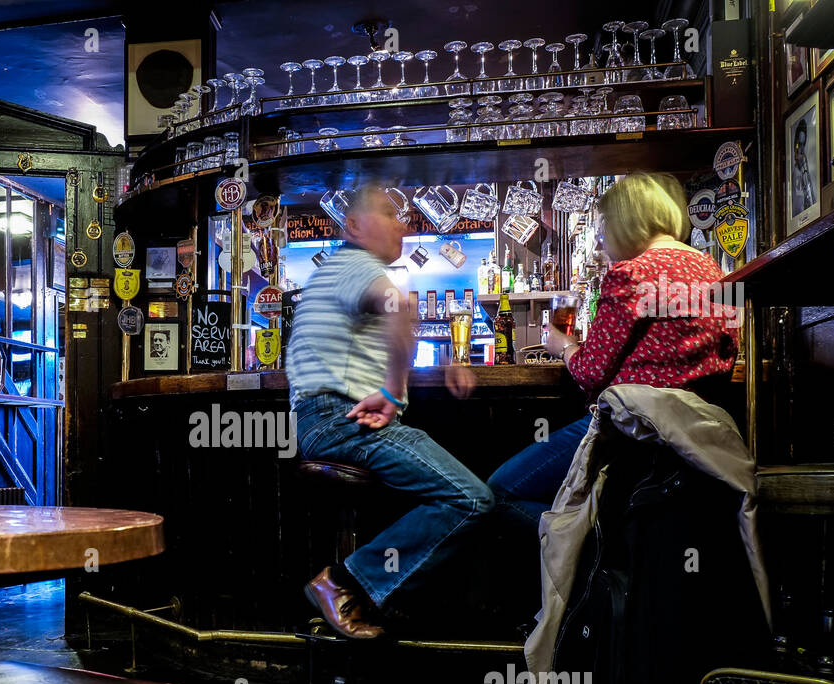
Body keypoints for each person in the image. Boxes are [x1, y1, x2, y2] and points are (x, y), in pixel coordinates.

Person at [477, 171, 740, 533]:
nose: (602, 240)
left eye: (605, 229)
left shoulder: (632, 273)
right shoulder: (714, 270)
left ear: (625, 222)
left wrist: (564, 346)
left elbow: (591, 371)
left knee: (498, 492)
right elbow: (728, 353)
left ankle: (592, 555)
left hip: (633, 429)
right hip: (701, 433)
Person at [289, 185, 492, 639]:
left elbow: (382, 331)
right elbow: (399, 307)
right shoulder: (354, 263)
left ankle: (382, 598)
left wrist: (441, 363)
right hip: (341, 420)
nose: (403, 223)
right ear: (355, 225)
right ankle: (345, 584)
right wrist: (395, 391)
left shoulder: (336, 273)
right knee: (472, 498)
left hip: (320, 420)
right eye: (388, 213)